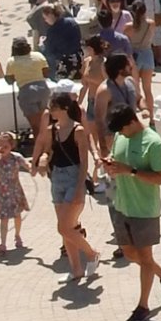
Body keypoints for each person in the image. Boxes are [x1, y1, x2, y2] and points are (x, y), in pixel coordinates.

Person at [105, 105, 161, 321]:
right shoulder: (120, 136)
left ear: (132, 122)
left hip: (144, 210)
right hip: (122, 205)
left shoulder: (153, 143)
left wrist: (130, 171)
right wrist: (110, 165)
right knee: (130, 254)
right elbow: (116, 159)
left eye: (123, 130)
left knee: (144, 258)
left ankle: (143, 305)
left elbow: (160, 178)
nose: (120, 134)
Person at [38, 92, 104, 286]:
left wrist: (79, 186)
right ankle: (76, 269)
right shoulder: (53, 130)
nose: (51, 112)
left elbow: (83, 161)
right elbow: (48, 151)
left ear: (65, 109)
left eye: (54, 108)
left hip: (73, 178)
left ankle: (92, 254)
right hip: (56, 178)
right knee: (67, 229)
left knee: (64, 226)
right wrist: (43, 159)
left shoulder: (78, 130)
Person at [0, 129, 31, 255]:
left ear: (11, 146)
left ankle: (17, 235)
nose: (3, 149)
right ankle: (3, 243)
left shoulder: (16, 157)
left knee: (17, 215)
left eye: (6, 146)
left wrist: (33, 167)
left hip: (14, 190)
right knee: (4, 218)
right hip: (1, 191)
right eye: (0, 146)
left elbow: (27, 165)